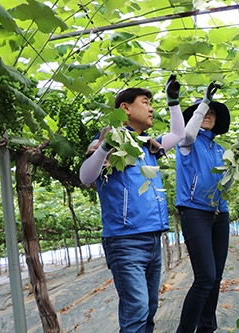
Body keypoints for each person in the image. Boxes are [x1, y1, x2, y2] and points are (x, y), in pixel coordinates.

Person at [79, 75, 185, 332]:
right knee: (136, 311)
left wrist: (173, 101)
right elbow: (85, 177)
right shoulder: (107, 139)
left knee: (148, 308)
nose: (150, 108)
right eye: (145, 102)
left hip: (152, 240)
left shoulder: (148, 145)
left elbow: (179, 134)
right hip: (125, 241)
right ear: (125, 108)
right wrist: (105, 146)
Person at [175, 82, 239, 333]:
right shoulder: (186, 143)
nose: (207, 115)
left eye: (211, 113)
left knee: (215, 277)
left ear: (217, 120)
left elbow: (224, 188)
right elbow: (187, 133)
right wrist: (204, 101)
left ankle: (207, 328)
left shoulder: (219, 149)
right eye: (203, 112)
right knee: (205, 277)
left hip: (220, 213)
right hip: (194, 212)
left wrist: (236, 162)